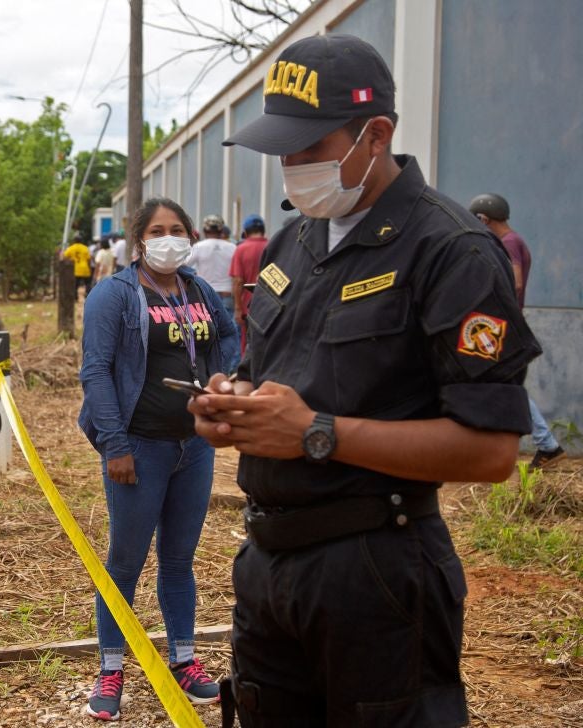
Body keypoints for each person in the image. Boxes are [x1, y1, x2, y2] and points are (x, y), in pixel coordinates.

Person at [189, 34, 540, 727]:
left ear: (375, 135)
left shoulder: (450, 250)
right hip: (268, 566)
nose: (290, 168)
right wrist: (232, 405)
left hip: (377, 572)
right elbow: (272, 376)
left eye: (308, 149)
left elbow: (492, 451)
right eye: (280, 150)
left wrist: (316, 434)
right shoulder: (297, 241)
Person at [78, 197, 239, 721]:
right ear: (139, 239)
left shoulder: (198, 291)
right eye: (158, 230)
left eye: (178, 229)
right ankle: (110, 667)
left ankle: (184, 659)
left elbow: (229, 336)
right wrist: (115, 445)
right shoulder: (114, 296)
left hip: (191, 448)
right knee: (123, 564)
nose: (170, 238)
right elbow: (97, 373)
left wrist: (226, 383)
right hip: (140, 447)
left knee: (178, 560)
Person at [470, 192, 566, 472]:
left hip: (502, 324)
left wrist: (491, 306)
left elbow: (516, 281)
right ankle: (542, 445)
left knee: (502, 383)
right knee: (497, 382)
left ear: (483, 219)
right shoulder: (515, 240)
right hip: (506, 322)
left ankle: (547, 445)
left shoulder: (508, 242)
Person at [188, 213, 239, 370]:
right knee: (229, 334)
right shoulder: (232, 247)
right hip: (227, 295)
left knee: (205, 332)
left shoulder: (198, 247)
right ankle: (227, 368)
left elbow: (183, 265)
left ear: (204, 229)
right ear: (222, 229)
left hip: (204, 296)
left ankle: (207, 367)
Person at [229, 215, 269, 357]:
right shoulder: (272, 246)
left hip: (249, 307)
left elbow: (238, 281)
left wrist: (238, 308)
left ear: (245, 233)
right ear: (263, 231)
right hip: (270, 308)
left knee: (247, 347)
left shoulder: (241, 249)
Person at [64, 232, 93, 299]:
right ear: (81, 241)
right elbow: (89, 259)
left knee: (75, 284)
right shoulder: (85, 248)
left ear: (74, 240)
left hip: (75, 269)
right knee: (87, 283)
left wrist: (70, 260)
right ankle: (87, 295)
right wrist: (89, 268)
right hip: (85, 268)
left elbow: (65, 257)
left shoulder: (71, 248)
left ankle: (75, 297)